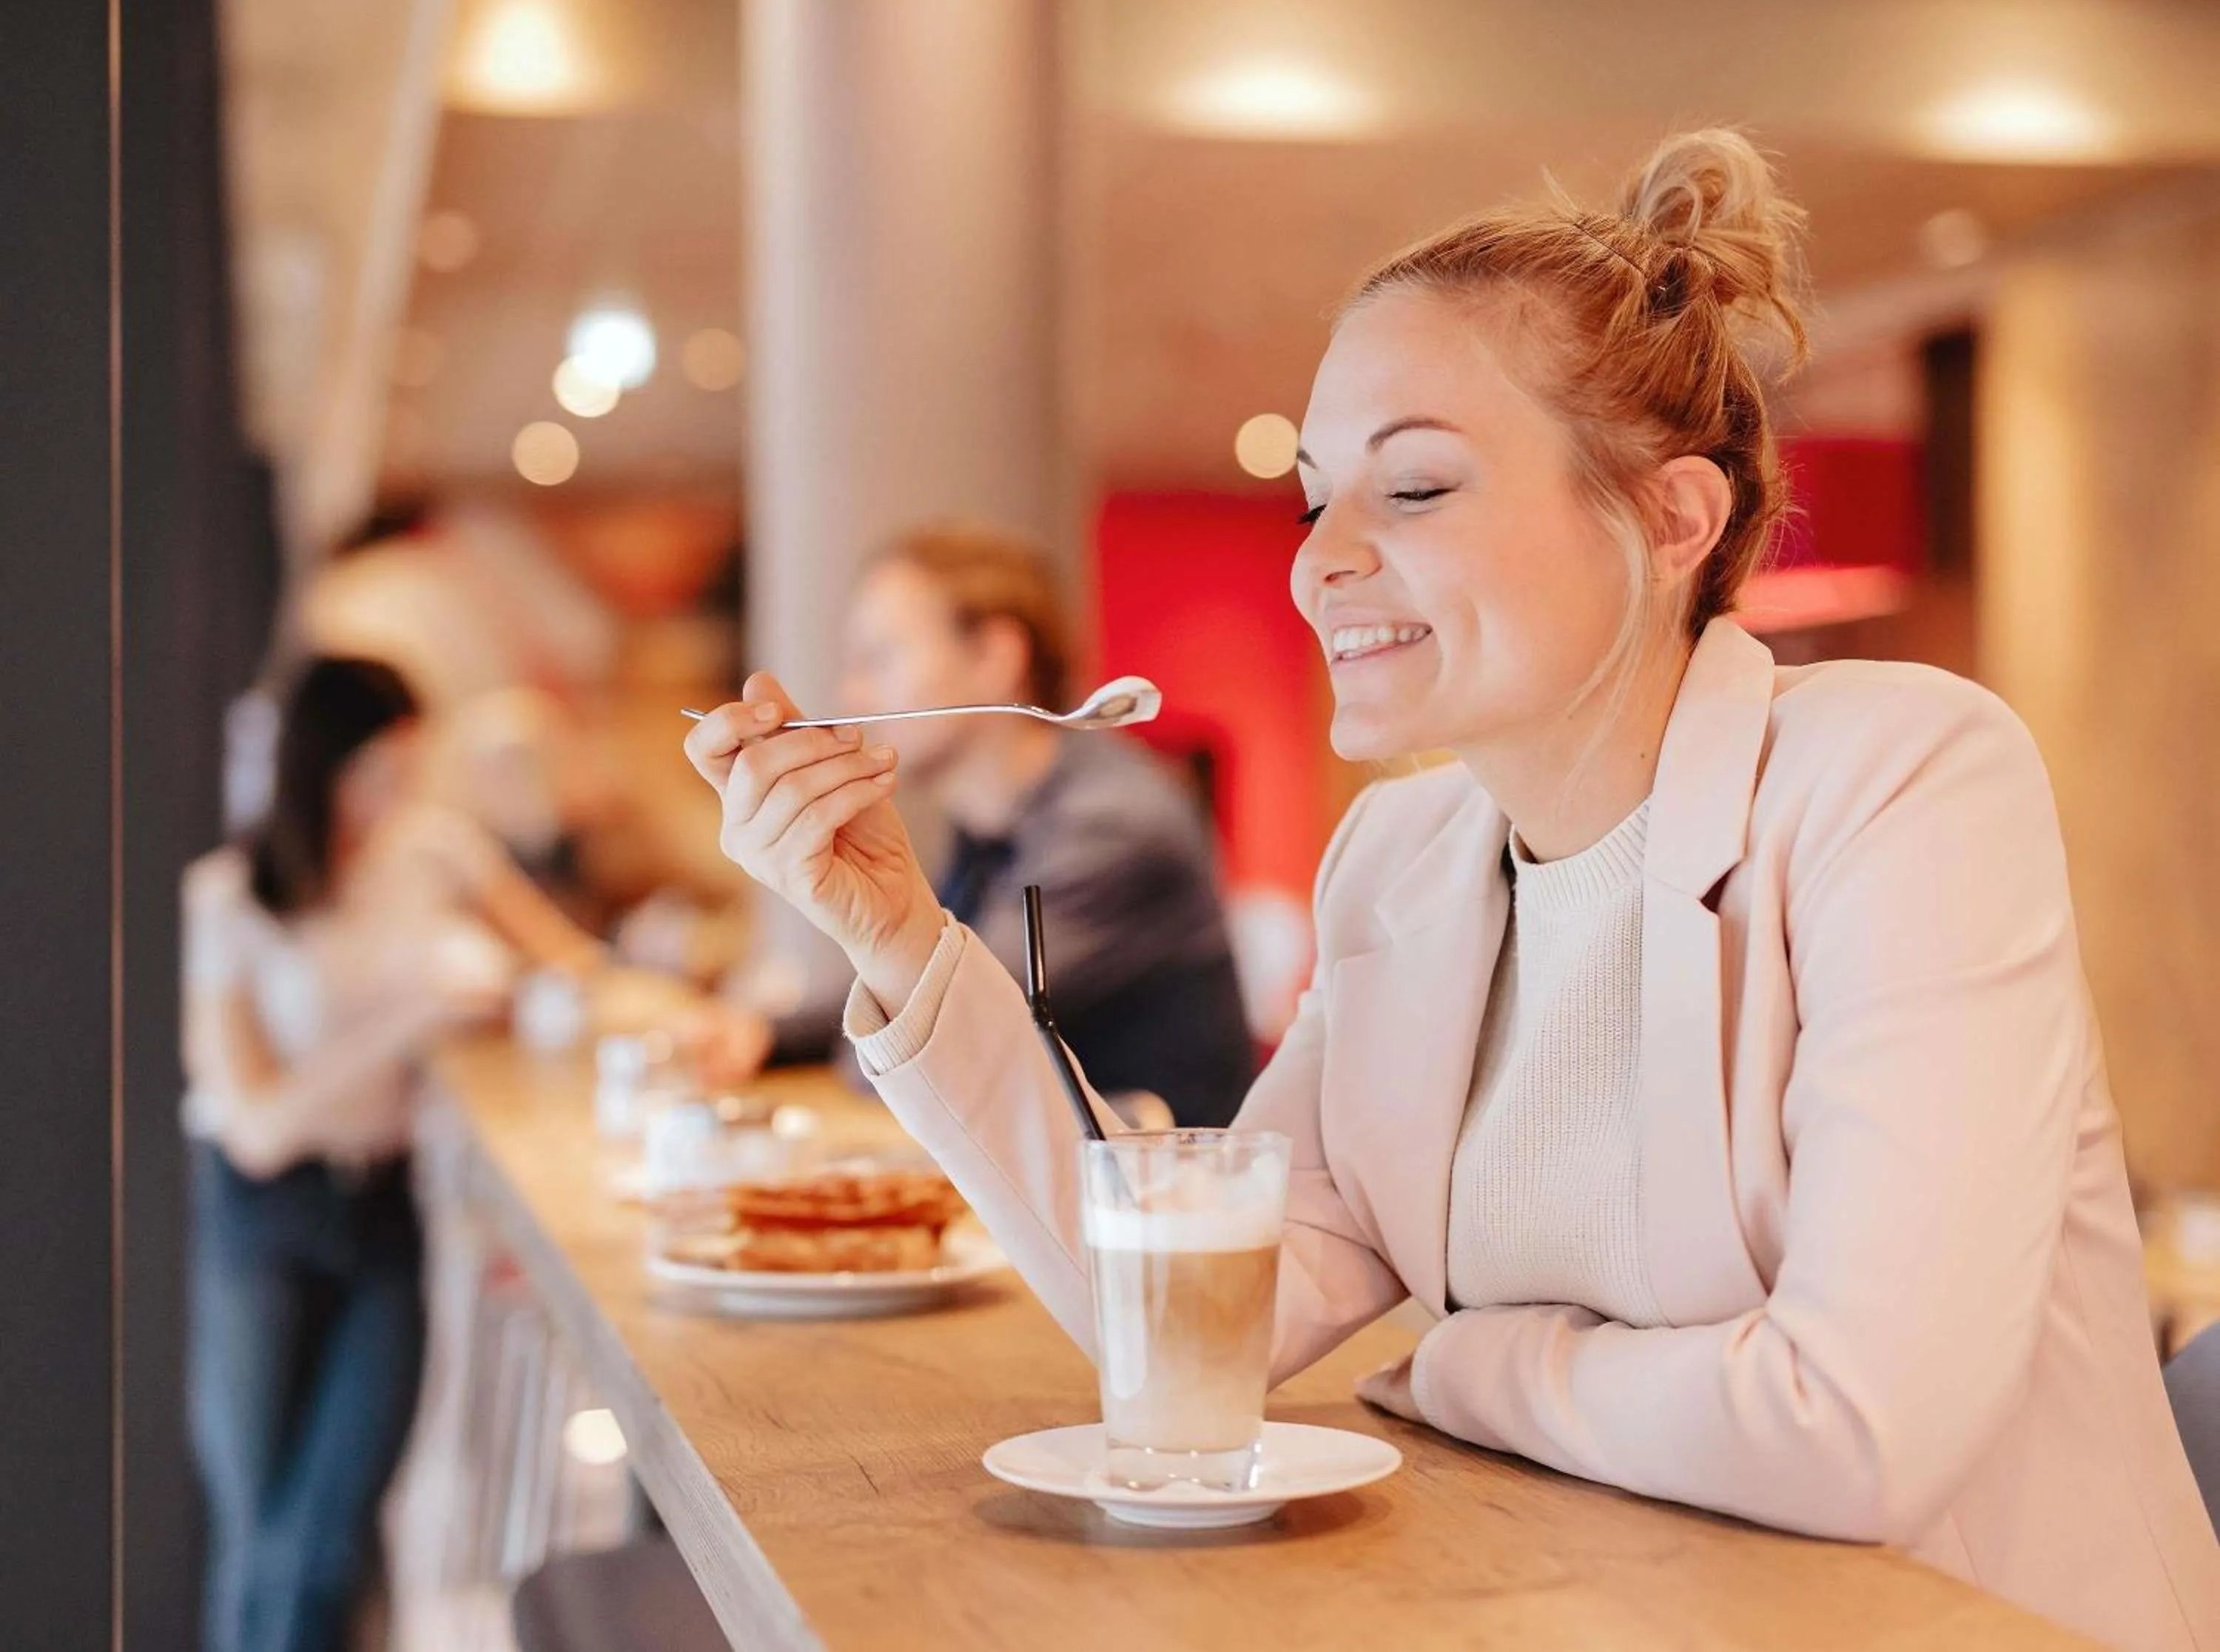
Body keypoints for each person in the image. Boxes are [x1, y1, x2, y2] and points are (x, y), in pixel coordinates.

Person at [687, 129, 2220, 1649]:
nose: (1318, 564)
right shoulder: (1403, 864)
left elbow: (1854, 1428)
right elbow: (1186, 1322)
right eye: (1313, 499)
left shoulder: (1904, 782)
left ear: (1674, 523)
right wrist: (894, 932)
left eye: (1412, 490)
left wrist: (1468, 1364)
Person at [184, 656, 602, 1652]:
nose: (396, 795)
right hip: (261, 1217)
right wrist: (412, 1022)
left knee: (337, 1527)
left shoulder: (434, 852)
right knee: (262, 1535)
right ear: (319, 764)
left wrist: (518, 1006)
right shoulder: (231, 897)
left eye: (407, 769)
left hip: (383, 1211)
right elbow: (256, 1121)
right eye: (378, 770)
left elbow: (575, 968)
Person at [708, 525, 1255, 1127]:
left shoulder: (1110, 827)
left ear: (995, 658)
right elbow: (923, 982)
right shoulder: (991, 822)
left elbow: (943, 1025)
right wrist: (768, 1034)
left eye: (879, 658)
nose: (852, 691)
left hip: (1157, 1202)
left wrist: (846, 1046)